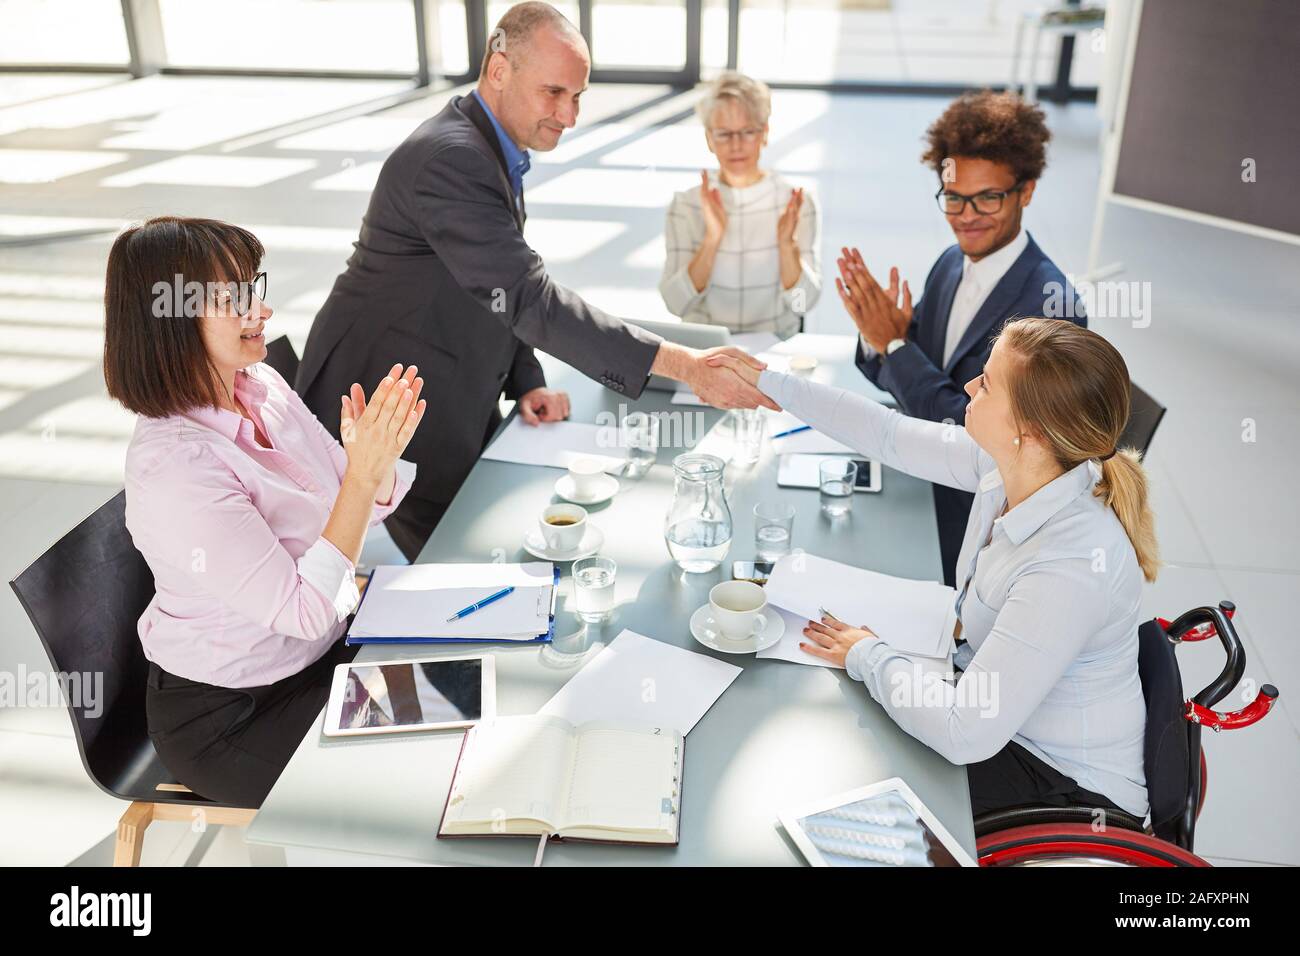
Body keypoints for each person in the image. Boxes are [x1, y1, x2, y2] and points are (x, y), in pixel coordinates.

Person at [296, 1, 770, 562]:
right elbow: (526, 297)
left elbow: (495, 280)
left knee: (481, 555)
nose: (569, 117)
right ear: (499, 70)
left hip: (442, 380)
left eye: (577, 97)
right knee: (461, 572)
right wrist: (686, 366)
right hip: (382, 404)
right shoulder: (451, 158)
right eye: (554, 93)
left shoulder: (487, 145)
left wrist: (525, 379)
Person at [709, 317, 1158, 819]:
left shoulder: (1069, 566)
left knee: (841, 777)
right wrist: (767, 381)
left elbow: (966, 732)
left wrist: (867, 654)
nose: (968, 386)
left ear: (1029, 431)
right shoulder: (1016, 463)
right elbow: (889, 434)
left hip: (1059, 781)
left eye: (986, 383)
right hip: (1000, 713)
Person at [105, 216, 426, 808]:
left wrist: (369, 464)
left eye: (255, 287)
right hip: (234, 715)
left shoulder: (259, 384)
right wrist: (360, 476)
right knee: (424, 772)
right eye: (235, 298)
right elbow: (305, 609)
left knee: (461, 686)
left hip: (328, 646)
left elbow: (347, 505)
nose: (263, 310)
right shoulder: (176, 467)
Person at [838, 90, 1085, 587]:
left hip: (978, 531)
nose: (966, 215)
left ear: (1027, 191)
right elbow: (906, 374)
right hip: (920, 480)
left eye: (988, 197)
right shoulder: (951, 263)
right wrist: (881, 339)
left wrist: (897, 346)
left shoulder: (1050, 309)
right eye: (954, 197)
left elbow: (976, 438)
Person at [659, 71, 821, 338]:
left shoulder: (796, 203)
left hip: (773, 350)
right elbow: (677, 304)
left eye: (748, 132)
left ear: (765, 133)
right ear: (709, 138)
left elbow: (802, 305)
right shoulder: (687, 204)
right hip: (707, 353)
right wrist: (711, 241)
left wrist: (786, 247)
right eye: (724, 134)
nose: (736, 145)